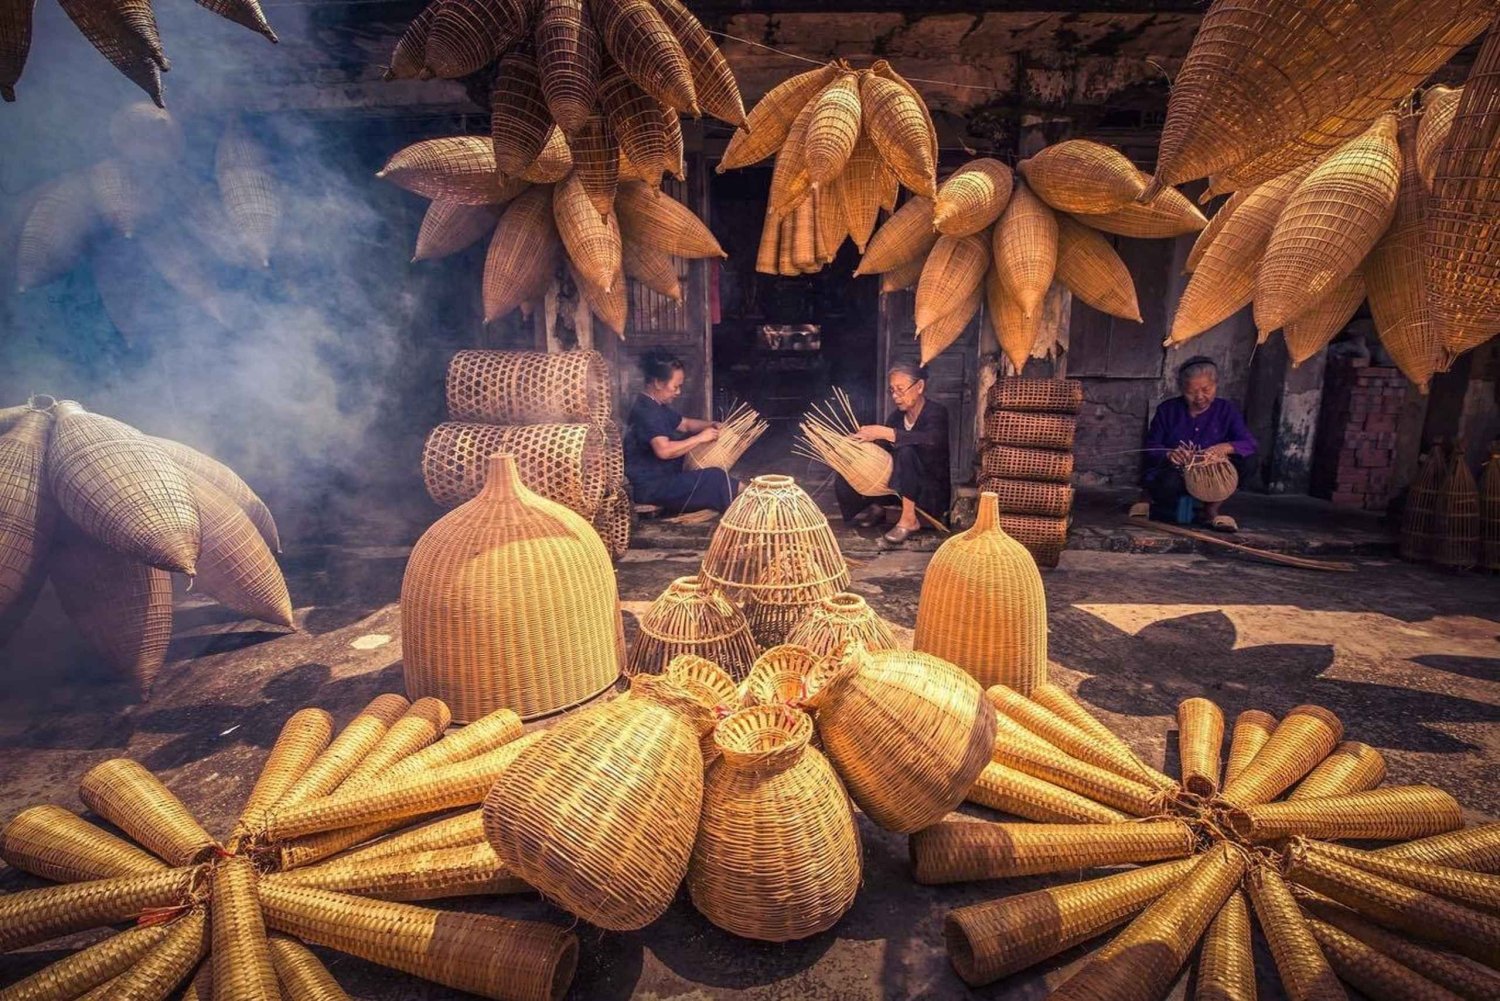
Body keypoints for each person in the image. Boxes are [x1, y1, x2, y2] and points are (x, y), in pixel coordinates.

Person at [1131, 356, 1256, 533]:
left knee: (1248, 460)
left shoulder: (1226, 410)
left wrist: (1226, 447)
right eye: (1191, 391)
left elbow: (1248, 443)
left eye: (1206, 389)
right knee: (1167, 484)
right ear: (1182, 389)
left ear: (1216, 384)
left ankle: (1211, 509)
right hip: (1176, 474)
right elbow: (1151, 446)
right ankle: (1149, 499)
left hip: (1211, 475)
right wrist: (1169, 454)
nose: (1199, 397)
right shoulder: (1167, 410)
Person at [835, 361, 952, 544]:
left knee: (906, 453)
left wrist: (886, 432)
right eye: (892, 390)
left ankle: (908, 520)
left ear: (919, 386)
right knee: (859, 461)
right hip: (901, 488)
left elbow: (932, 439)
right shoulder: (897, 417)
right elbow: (885, 449)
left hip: (929, 491)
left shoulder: (936, 412)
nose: (895, 396)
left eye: (900, 389)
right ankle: (877, 506)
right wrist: (862, 443)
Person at [624, 348, 738, 515]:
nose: (678, 392)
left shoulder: (656, 405)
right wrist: (700, 438)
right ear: (658, 382)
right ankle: (753, 496)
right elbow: (663, 451)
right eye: (675, 386)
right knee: (715, 478)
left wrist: (711, 424)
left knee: (712, 477)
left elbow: (685, 424)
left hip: (663, 479)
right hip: (651, 487)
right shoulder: (646, 411)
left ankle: (750, 494)